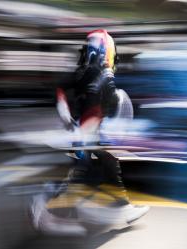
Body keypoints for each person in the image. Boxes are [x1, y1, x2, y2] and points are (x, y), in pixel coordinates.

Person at [30, 29, 149, 236]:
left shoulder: (80, 72)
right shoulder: (104, 74)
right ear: (108, 50)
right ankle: (43, 202)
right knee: (81, 174)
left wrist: (66, 115)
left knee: (107, 167)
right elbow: (109, 101)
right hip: (90, 136)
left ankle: (125, 208)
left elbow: (59, 90)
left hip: (83, 133)